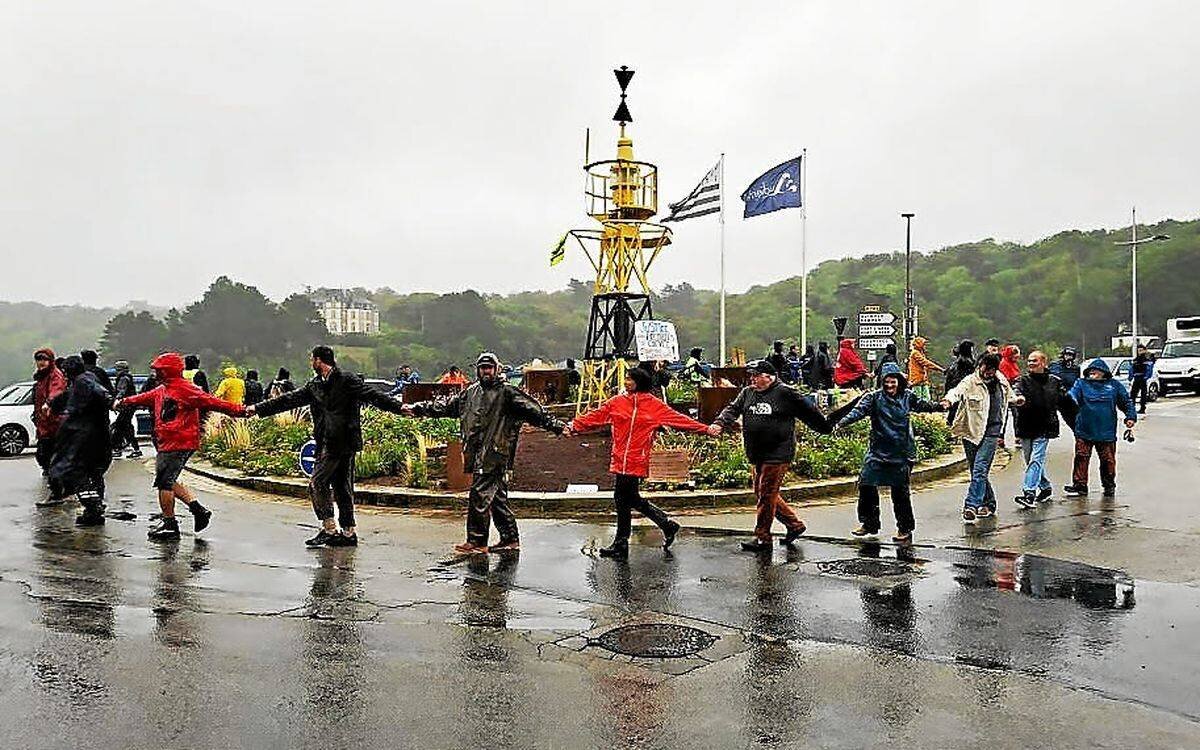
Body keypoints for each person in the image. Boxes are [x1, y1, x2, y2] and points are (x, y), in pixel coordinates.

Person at [405, 352, 566, 555]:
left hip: (496, 451)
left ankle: (477, 541)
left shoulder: (508, 392)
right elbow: (446, 406)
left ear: (497, 369)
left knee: (480, 494)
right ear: (477, 370)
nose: (486, 371)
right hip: (477, 451)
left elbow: (534, 410)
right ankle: (510, 538)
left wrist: (556, 425)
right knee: (496, 496)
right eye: (483, 368)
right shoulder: (470, 392)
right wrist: (418, 409)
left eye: (489, 367)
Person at [249, 346, 408, 547]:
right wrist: (258, 409)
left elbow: (372, 395)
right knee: (341, 486)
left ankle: (330, 528)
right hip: (325, 439)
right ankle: (348, 533)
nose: (311, 363)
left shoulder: (347, 380)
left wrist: (398, 407)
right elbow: (288, 400)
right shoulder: (314, 385)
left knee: (318, 483)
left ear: (319, 360)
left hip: (342, 440)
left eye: (312, 360)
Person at [565, 366, 709, 558]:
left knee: (623, 498)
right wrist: (575, 425)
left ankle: (624, 542)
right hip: (620, 457)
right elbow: (596, 416)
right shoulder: (617, 402)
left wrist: (705, 429)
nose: (626, 382)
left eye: (630, 379)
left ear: (639, 382)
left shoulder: (654, 405)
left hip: (636, 459)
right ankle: (663, 526)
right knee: (628, 498)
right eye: (626, 378)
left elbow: (679, 420)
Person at [118, 352, 246, 539]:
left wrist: (241, 411)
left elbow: (212, 402)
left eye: (158, 370)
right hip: (168, 441)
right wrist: (123, 402)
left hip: (179, 442)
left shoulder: (186, 390)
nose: (155, 374)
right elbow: (144, 397)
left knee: (164, 483)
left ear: (167, 371)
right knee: (167, 479)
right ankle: (198, 510)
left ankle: (170, 524)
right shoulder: (163, 389)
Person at [711, 359, 834, 551]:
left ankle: (763, 537)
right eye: (750, 375)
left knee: (767, 494)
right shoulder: (747, 393)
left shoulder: (785, 393)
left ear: (769, 377)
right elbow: (733, 409)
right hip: (755, 451)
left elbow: (809, 411)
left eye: (755, 376)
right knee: (763, 493)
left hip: (778, 451)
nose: (751, 379)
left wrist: (825, 427)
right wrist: (720, 422)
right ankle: (794, 525)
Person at [835, 362, 944, 544]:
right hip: (878, 451)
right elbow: (857, 412)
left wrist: (940, 406)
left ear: (899, 382)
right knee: (866, 485)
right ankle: (869, 523)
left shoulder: (908, 397)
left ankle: (905, 528)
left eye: (893, 382)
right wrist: (840, 423)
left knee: (900, 493)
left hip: (901, 452)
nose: (889, 386)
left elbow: (923, 405)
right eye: (886, 382)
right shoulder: (874, 398)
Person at [942, 353, 1023, 523]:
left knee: (980, 469)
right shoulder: (971, 381)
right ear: (980, 365)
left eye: (993, 369)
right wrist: (948, 401)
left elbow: (1009, 395)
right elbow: (956, 392)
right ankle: (989, 503)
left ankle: (971, 505)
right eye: (986, 368)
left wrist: (1017, 400)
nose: (989, 372)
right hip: (971, 431)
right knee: (977, 470)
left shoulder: (1000, 380)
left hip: (992, 431)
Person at [44, 355, 113, 524]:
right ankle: (94, 509)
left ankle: (93, 506)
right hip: (91, 434)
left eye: (65, 372)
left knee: (72, 471)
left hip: (83, 436)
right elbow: (69, 396)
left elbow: (100, 392)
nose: (64, 376)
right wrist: (53, 404)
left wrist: (111, 401)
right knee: (91, 471)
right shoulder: (83, 380)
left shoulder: (83, 381)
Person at [1062, 358, 1136, 498]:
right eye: (1090, 371)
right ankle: (1080, 485)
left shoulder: (1114, 385)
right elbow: (1072, 397)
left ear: (1104, 372)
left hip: (1106, 431)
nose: (1092, 373)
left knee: (1108, 460)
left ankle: (1109, 485)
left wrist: (1130, 416)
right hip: (1084, 429)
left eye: (1095, 371)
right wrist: (1065, 399)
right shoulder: (1081, 384)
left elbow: (1126, 401)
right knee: (1081, 457)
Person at [1011, 351, 1066, 508]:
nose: (1031, 364)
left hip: (1045, 426)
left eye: (1034, 361)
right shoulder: (1022, 380)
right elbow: (1016, 392)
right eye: (1029, 361)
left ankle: (1029, 493)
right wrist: (1018, 399)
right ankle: (1046, 487)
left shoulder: (1055, 382)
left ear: (1044, 363)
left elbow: (1065, 402)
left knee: (1036, 459)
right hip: (1025, 425)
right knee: (1031, 461)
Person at [31, 348, 66, 476]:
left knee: (48, 450)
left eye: (44, 359)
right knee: (43, 451)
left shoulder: (55, 375)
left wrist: (49, 403)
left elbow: (57, 390)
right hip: (43, 420)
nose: (41, 362)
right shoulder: (41, 377)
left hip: (54, 420)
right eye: (39, 359)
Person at [110, 360, 141, 458]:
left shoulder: (123, 379)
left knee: (120, 426)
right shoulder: (128, 378)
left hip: (126, 406)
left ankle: (118, 449)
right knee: (125, 427)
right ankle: (133, 449)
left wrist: (117, 401)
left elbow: (121, 391)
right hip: (130, 406)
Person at [943, 339, 976, 427]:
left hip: (954, 388)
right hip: (961, 389)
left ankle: (948, 429)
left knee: (954, 412)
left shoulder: (956, 363)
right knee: (957, 412)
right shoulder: (966, 363)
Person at [907, 336, 943, 401]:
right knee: (917, 398)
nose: (925, 346)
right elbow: (925, 362)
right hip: (916, 379)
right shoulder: (915, 353)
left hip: (923, 379)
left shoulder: (921, 353)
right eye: (923, 344)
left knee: (926, 398)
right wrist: (939, 369)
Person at [1130, 344, 1152, 414]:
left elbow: (1149, 369)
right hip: (1136, 378)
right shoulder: (1135, 360)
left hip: (1142, 379)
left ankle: (1142, 408)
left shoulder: (1146, 360)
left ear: (1145, 351)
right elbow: (1131, 369)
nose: (1140, 352)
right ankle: (1132, 408)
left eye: (1141, 350)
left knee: (1143, 394)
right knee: (1133, 394)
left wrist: (1146, 377)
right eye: (1139, 350)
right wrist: (1130, 377)